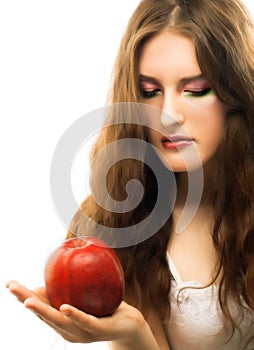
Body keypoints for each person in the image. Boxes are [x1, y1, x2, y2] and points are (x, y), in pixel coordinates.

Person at [6, 0, 254, 349]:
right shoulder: (125, 222)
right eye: (149, 92)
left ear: (236, 93)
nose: (168, 115)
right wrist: (131, 332)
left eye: (196, 90)